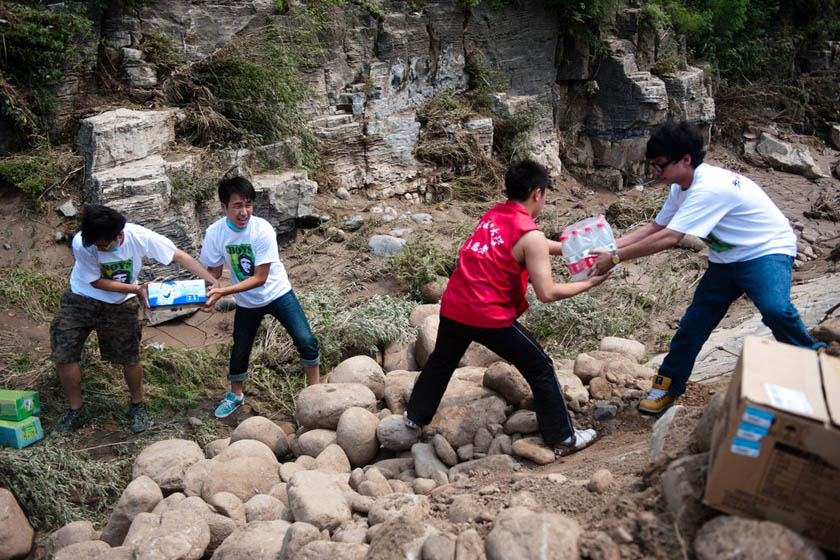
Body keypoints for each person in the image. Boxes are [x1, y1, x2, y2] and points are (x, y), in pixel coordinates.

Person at [590, 121, 826, 414]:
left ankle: (814, 360)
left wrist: (615, 258)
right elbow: (656, 226)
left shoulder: (709, 188)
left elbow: (670, 238)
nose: (656, 173)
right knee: (694, 323)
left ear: (685, 160)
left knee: (775, 309)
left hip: (766, 250)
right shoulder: (681, 186)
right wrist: (612, 249)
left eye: (660, 165)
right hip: (726, 260)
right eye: (653, 165)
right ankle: (667, 386)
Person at [404, 160, 610, 457]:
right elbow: (548, 292)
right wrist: (591, 283)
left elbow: (533, 245)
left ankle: (414, 417)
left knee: (441, 362)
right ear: (538, 193)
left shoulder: (494, 215)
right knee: (540, 366)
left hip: (455, 304)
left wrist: (574, 248)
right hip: (487, 314)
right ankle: (563, 437)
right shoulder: (530, 234)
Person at [50, 205, 219, 433]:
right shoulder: (83, 243)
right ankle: (77, 410)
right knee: (64, 352)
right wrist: (138, 289)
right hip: (82, 296)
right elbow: (96, 282)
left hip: (121, 303)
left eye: (104, 245)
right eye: (97, 246)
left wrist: (212, 282)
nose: (100, 249)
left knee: (129, 357)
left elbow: (178, 256)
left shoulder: (139, 236)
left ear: (120, 235)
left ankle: (137, 404)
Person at [201, 176, 321, 419]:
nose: (244, 212)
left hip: (277, 293)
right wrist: (202, 293)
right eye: (237, 206)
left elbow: (260, 278)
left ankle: (315, 391)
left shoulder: (262, 229)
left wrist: (223, 292)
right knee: (240, 349)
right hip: (247, 302)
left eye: (248, 204)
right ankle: (236, 395)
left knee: (305, 338)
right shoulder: (215, 233)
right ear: (223, 207)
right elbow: (212, 272)